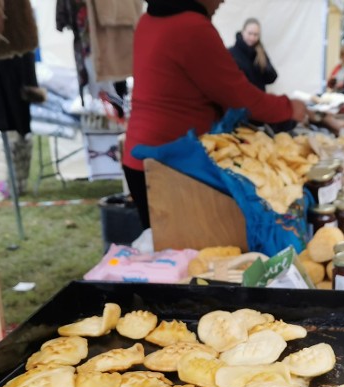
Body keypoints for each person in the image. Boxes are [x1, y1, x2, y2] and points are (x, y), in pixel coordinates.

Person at [121, 0, 306, 229]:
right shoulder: (192, 27)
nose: (223, 0)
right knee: (184, 249)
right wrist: (289, 108)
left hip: (141, 158)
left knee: (166, 247)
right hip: (171, 165)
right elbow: (239, 95)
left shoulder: (148, 21)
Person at [229, 17, 277, 92]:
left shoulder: (259, 53)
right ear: (243, 32)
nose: (252, 38)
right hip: (240, 100)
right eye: (250, 33)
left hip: (259, 99)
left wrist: (264, 64)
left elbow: (272, 77)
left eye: (256, 35)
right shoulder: (231, 53)